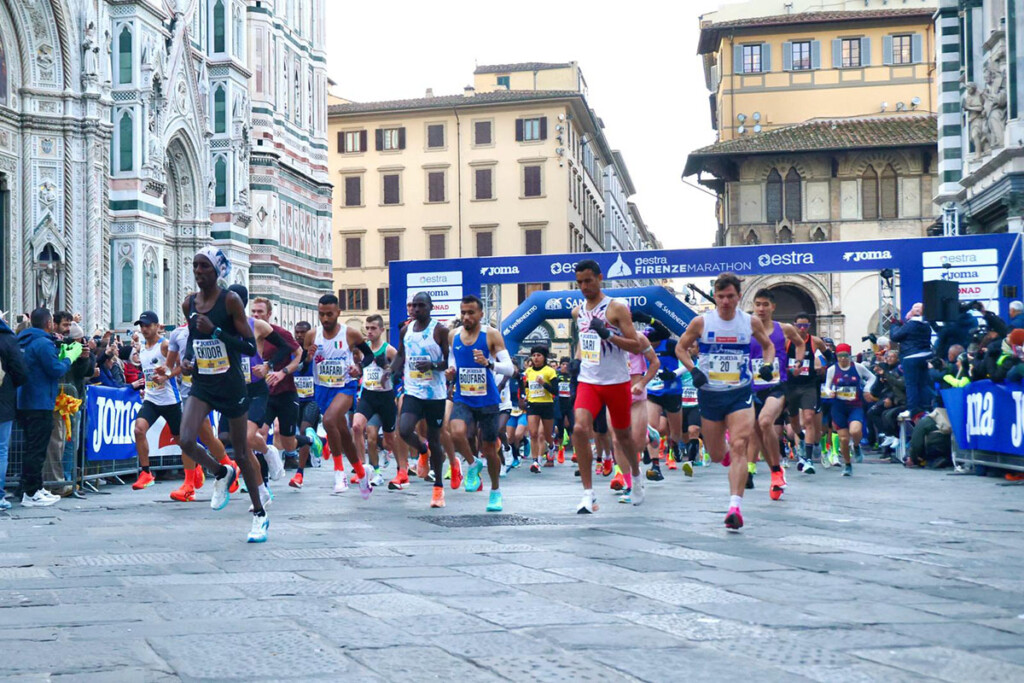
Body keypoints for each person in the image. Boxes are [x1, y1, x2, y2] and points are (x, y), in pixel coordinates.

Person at [178, 247, 269, 542]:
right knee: (187, 439)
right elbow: (193, 337)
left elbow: (249, 348)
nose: (198, 271)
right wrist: (188, 358)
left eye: (204, 266)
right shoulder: (189, 303)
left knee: (242, 452)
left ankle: (259, 515)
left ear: (217, 271)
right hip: (203, 383)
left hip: (231, 385)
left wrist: (217, 331)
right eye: (195, 266)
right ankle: (220, 472)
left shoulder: (229, 301)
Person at [675, 273, 776, 531]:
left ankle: (735, 507)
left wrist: (766, 366)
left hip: (739, 392)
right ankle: (729, 459)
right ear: (715, 296)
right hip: (710, 393)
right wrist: (693, 369)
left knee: (740, 444)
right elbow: (680, 348)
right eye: (721, 297)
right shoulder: (701, 322)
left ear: (738, 297)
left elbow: (768, 347)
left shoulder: (749, 321)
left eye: (730, 296)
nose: (725, 301)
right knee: (719, 454)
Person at [570, 260, 646, 513]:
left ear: (600, 278)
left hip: (616, 381)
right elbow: (584, 339)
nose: (584, 286)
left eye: (588, 281)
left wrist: (609, 335)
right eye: (579, 282)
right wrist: (576, 358)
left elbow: (636, 346)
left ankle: (635, 476)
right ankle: (588, 493)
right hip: (589, 381)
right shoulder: (577, 311)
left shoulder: (616, 308)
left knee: (623, 435)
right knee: (579, 428)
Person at [445, 295, 514, 511]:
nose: (466, 317)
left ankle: (495, 491)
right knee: (455, 433)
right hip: (463, 396)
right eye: (463, 312)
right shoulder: (453, 335)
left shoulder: (491, 335)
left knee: (489, 448)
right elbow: (453, 361)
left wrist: (489, 364)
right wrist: (451, 372)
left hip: (488, 400)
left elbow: (510, 368)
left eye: (471, 312)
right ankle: (473, 464)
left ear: (481, 314)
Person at [305, 293, 376, 499]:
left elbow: (369, 355)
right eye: (321, 314)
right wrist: (307, 357)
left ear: (338, 313)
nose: (325, 319)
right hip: (322, 388)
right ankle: (362, 473)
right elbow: (302, 363)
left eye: (329, 314)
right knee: (344, 434)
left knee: (329, 421)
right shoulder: (312, 335)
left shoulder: (350, 334)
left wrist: (359, 367)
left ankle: (339, 472)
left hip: (345, 386)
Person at [164, 320, 238, 502]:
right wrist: (165, 374)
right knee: (191, 437)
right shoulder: (177, 334)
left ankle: (225, 468)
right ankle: (194, 480)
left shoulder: (214, 330)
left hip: (210, 389)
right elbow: (170, 364)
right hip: (189, 391)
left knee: (200, 437)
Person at [392, 292, 452, 507]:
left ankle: (438, 488)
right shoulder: (405, 330)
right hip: (413, 391)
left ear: (430, 307)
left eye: (421, 306)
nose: (416, 310)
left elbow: (448, 361)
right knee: (405, 429)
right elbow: (401, 355)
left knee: (435, 439)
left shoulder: (440, 330)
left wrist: (433, 366)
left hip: (435, 394)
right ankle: (422, 451)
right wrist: (389, 372)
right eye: (413, 306)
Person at [748, 289, 805, 500]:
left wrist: (797, 362)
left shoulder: (784, 328)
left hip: (776, 385)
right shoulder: (746, 329)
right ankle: (775, 471)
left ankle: (776, 470)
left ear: (773, 307)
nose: (761, 309)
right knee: (757, 433)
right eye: (758, 304)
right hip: (751, 387)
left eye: (765, 304)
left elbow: (800, 343)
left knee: (765, 423)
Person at [16, 308, 76, 507]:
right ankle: (30, 493)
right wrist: (69, 358)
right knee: (37, 449)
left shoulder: (24, 340)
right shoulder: (42, 343)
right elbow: (55, 369)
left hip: (25, 400)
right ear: (49, 323)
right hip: (40, 401)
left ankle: (35, 487)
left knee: (33, 447)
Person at [250, 297, 301, 491]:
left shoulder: (280, 334)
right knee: (259, 433)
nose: (256, 315)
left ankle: (308, 441)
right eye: (253, 311)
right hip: (264, 395)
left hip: (286, 392)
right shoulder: (249, 333)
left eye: (260, 312)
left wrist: (282, 372)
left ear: (269, 315)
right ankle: (262, 482)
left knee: (288, 443)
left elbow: (298, 354)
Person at [130, 311, 185, 493]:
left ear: (156, 325)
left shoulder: (165, 345)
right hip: (152, 399)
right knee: (139, 429)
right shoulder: (143, 347)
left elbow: (182, 367)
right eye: (142, 326)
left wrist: (166, 376)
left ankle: (196, 468)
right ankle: (146, 473)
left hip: (170, 400)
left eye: (147, 325)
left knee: (181, 440)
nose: (144, 329)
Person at [351, 314, 398, 488]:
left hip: (385, 397)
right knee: (361, 430)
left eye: (373, 328)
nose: (369, 331)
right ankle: (368, 470)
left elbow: (399, 369)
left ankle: (389, 453)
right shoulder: (364, 349)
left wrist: (387, 368)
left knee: (388, 441)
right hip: (368, 396)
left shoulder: (389, 350)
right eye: (367, 328)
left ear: (381, 330)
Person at [823, 343, 878, 476]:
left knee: (855, 430)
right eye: (840, 356)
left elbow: (872, 377)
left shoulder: (858, 367)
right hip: (838, 407)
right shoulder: (832, 369)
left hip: (855, 405)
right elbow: (826, 386)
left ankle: (856, 445)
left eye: (845, 356)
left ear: (849, 356)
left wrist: (866, 389)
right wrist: (829, 392)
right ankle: (847, 464)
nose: (842, 359)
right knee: (843, 439)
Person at [786, 312, 827, 473]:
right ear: (794, 326)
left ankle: (808, 459)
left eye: (805, 326)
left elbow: (829, 356)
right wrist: (789, 370)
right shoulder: (787, 342)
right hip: (791, 386)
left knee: (809, 418)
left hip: (809, 385)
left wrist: (823, 368)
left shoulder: (815, 341)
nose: (802, 329)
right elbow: (779, 359)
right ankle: (801, 439)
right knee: (795, 423)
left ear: (809, 326)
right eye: (799, 326)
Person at [288, 321, 324, 489]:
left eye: (303, 332)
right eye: (297, 331)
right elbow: (296, 369)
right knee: (300, 435)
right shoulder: (291, 350)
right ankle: (320, 442)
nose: (300, 335)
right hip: (295, 398)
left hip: (312, 398)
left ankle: (299, 473)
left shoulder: (317, 349)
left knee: (304, 430)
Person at [0, 312, 29, 510]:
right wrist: (10, 385)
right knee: (1, 449)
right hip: (3, 401)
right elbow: (20, 371)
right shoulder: (8, 338)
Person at [890, 302, 934, 421]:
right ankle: (926, 407)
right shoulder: (926, 325)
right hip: (925, 355)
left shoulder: (911, 324)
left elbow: (895, 336)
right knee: (923, 383)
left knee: (912, 385)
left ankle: (912, 409)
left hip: (911, 357)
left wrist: (895, 324)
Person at [523, 345, 558, 472]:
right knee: (533, 433)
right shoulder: (528, 372)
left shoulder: (550, 371)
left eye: (539, 355)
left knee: (546, 435)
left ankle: (552, 445)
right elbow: (525, 387)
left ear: (544, 357)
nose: (536, 358)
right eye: (534, 355)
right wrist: (524, 396)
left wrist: (544, 384)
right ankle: (536, 462)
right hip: (533, 405)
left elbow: (556, 390)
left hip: (547, 405)